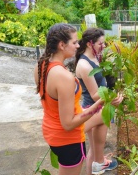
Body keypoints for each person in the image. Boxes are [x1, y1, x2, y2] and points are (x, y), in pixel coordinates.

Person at [34, 23, 104, 175]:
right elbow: (68, 123)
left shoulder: (41, 65)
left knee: (104, 116)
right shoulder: (64, 77)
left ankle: (100, 160)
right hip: (68, 139)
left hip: (51, 131)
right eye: (74, 42)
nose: (78, 45)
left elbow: (53, 104)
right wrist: (98, 104)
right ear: (61, 45)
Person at [75, 27, 123, 175]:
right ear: (90, 44)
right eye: (100, 44)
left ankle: (100, 162)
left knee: (96, 148)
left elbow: (103, 80)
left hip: (100, 105)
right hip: (93, 107)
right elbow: (96, 94)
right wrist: (114, 98)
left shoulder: (95, 56)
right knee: (95, 148)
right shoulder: (84, 65)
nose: (103, 47)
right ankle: (98, 164)